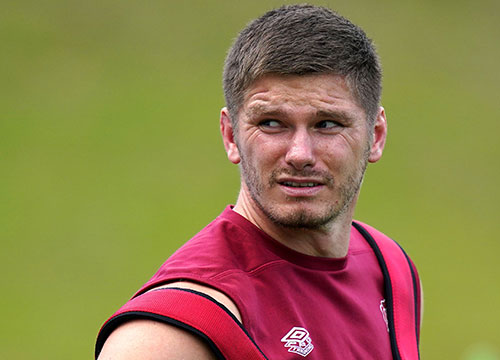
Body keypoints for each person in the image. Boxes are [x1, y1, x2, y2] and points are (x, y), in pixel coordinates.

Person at [96, 4, 422, 360]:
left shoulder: (389, 268)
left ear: (375, 135)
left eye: (327, 124)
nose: (300, 153)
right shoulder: (168, 334)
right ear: (231, 135)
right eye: (271, 123)